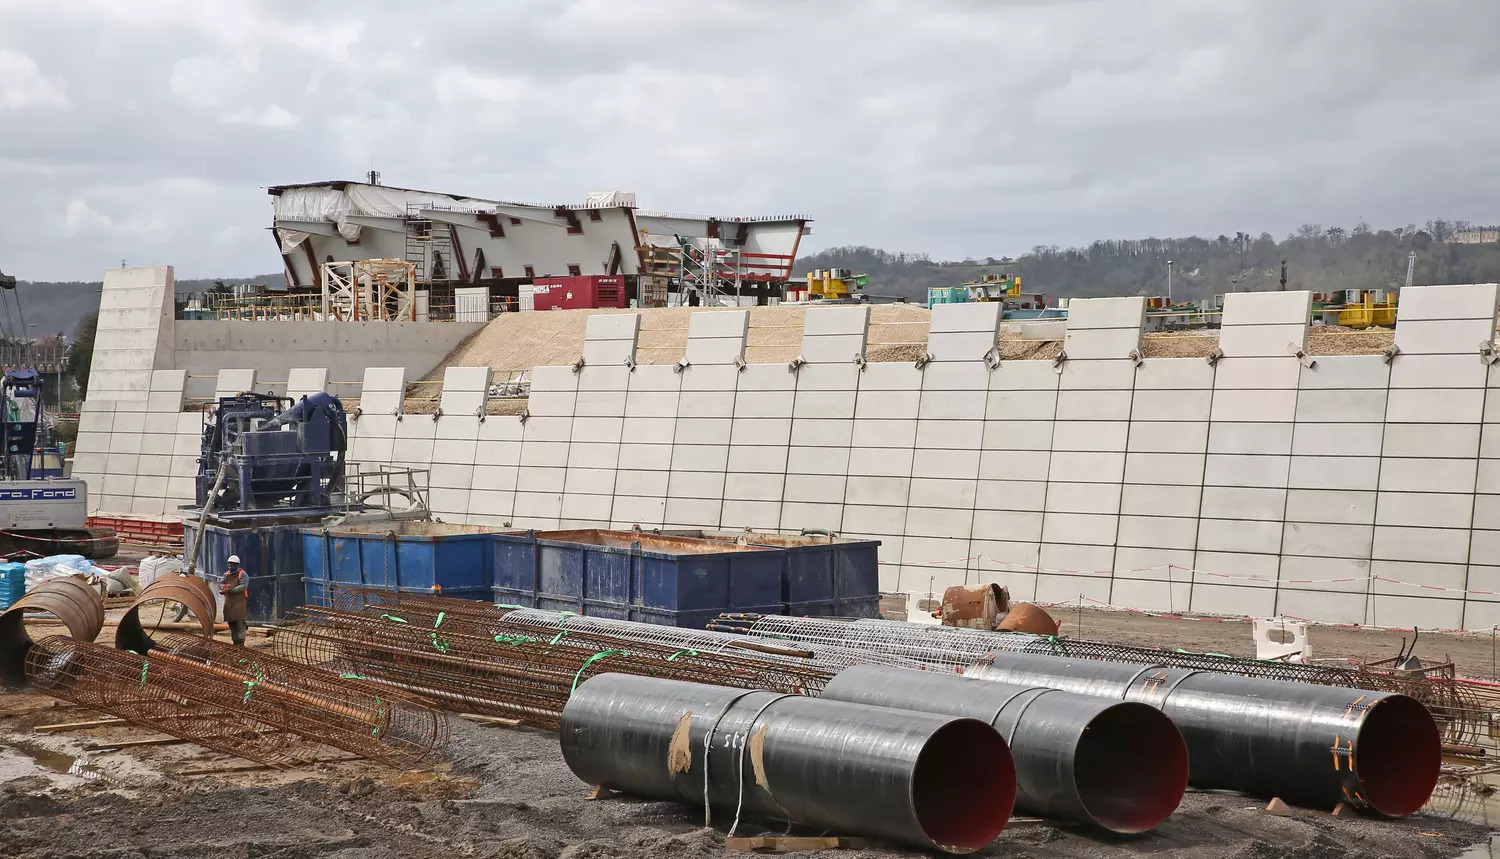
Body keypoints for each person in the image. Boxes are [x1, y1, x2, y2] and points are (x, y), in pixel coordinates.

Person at [220, 554, 248, 646]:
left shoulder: (242, 574)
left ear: (236, 565)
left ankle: (241, 642)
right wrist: (223, 588)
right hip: (229, 603)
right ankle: (235, 641)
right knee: (231, 622)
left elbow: (243, 586)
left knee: (239, 622)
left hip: (239, 602)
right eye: (229, 564)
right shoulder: (226, 574)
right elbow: (221, 583)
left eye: (232, 564)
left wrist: (231, 590)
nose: (230, 566)